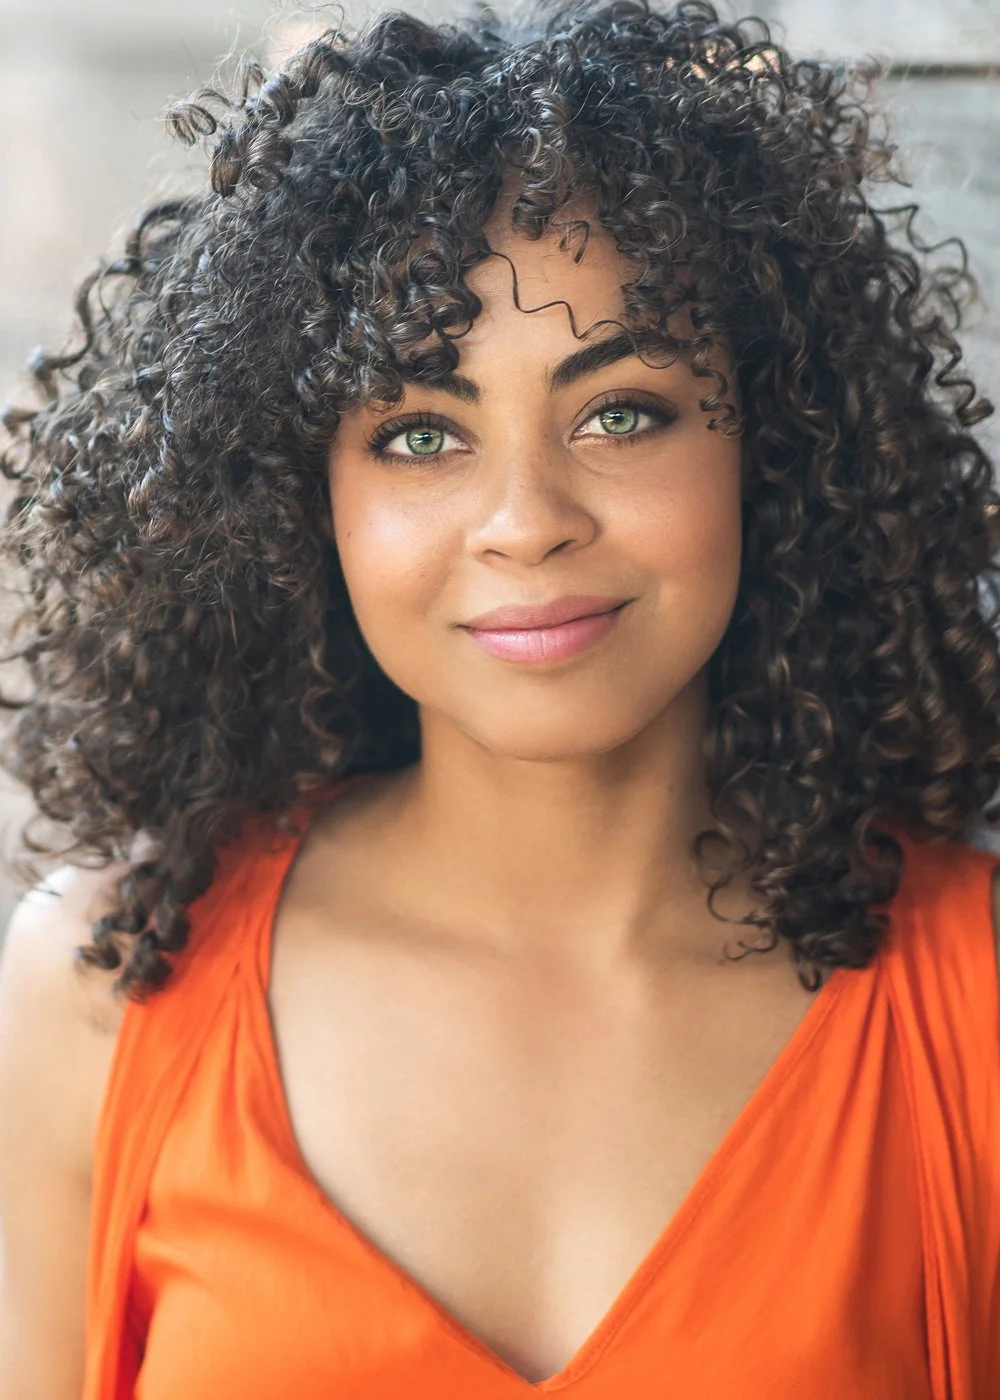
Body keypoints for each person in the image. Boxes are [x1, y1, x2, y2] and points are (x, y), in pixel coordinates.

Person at [1, 0, 999, 1394]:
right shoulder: (100, 994)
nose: (524, 521)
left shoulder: (977, 1009)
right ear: (301, 503)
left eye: (621, 413)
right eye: (419, 435)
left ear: (773, 441)